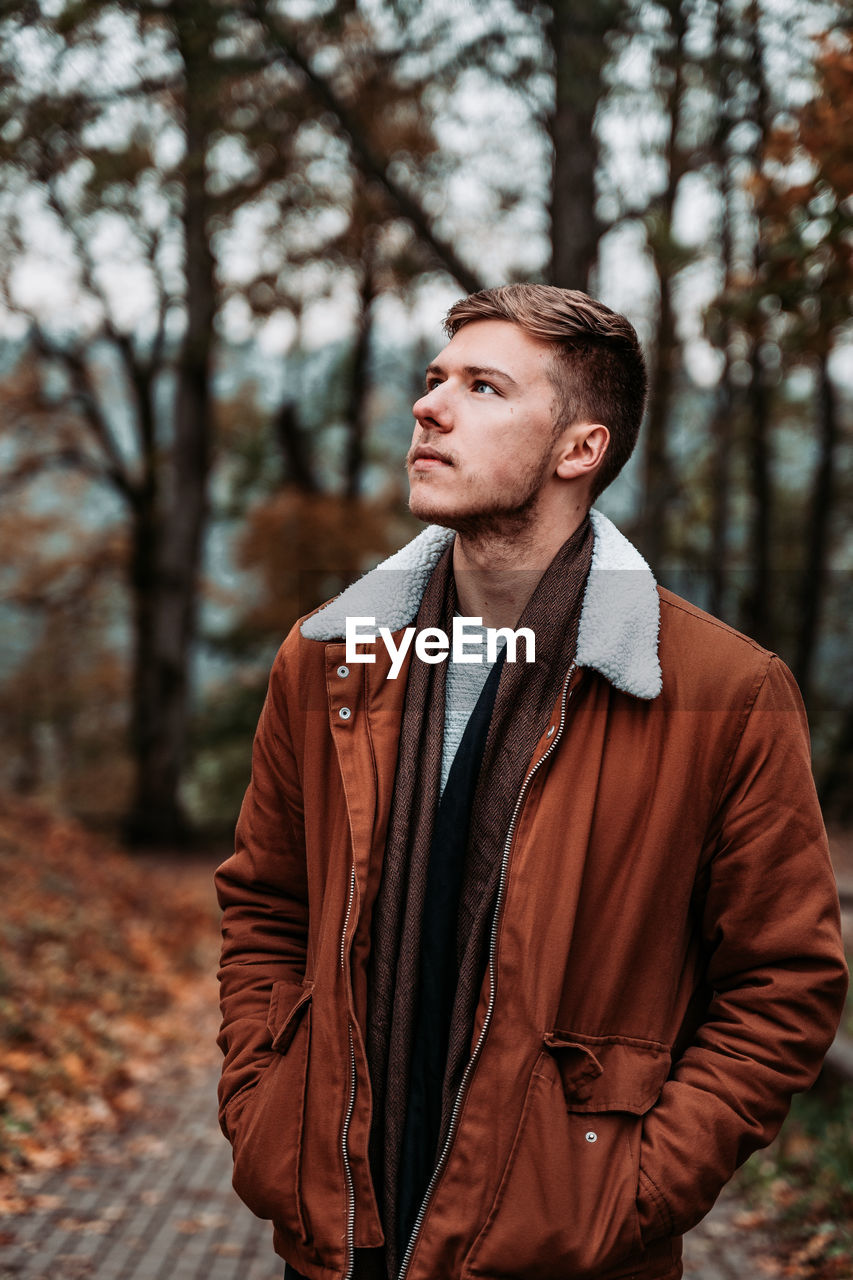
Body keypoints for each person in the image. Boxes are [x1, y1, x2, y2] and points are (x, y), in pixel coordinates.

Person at [215, 284, 847, 1280]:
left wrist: (632, 1184)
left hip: (567, 1247)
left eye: (482, 385)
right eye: (433, 380)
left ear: (577, 449)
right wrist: (265, 1099)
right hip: (338, 1232)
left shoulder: (725, 692)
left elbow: (782, 982)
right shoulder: (328, 657)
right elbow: (266, 903)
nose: (429, 405)